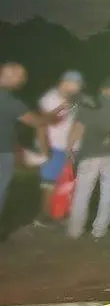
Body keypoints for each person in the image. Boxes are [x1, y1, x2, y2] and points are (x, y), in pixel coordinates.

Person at [65, 78, 110, 239]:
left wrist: (68, 148)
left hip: (89, 155)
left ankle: (74, 231)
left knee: (81, 194)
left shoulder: (89, 104)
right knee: (108, 195)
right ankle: (99, 231)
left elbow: (78, 128)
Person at [0, 63, 56, 237]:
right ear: (8, 75)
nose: (23, 80)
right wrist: (54, 115)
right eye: (20, 76)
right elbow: (35, 121)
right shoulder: (9, 100)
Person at [35, 70, 84, 226]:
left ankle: (61, 214)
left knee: (67, 183)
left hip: (71, 148)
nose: (77, 89)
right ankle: (44, 216)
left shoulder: (77, 100)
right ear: (64, 83)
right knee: (48, 182)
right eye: (75, 85)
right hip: (53, 147)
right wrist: (44, 149)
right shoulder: (49, 98)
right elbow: (41, 123)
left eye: (79, 86)